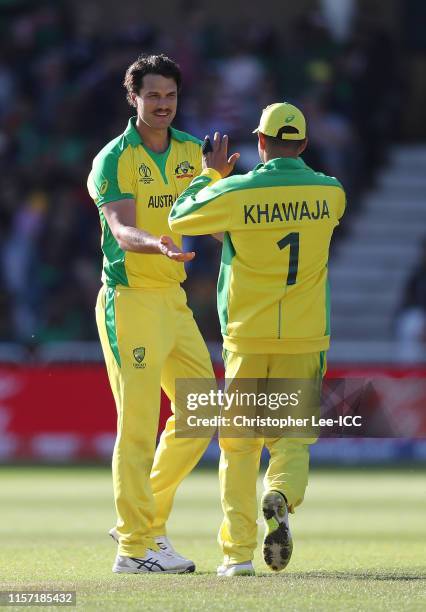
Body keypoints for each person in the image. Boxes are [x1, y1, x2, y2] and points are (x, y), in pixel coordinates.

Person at [169, 102, 346, 576]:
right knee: (291, 440)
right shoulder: (332, 194)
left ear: (261, 143)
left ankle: (237, 556)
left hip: (247, 337)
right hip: (305, 336)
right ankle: (282, 494)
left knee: (239, 446)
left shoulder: (236, 191)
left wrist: (210, 175)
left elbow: (180, 219)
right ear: (305, 145)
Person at [87, 54, 215, 574]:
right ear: (133, 98)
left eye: (171, 96)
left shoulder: (192, 151)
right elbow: (121, 230)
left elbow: (214, 212)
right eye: (153, 96)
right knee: (138, 427)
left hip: (173, 299)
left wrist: (224, 181)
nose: (163, 105)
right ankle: (134, 550)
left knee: (202, 411)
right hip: (130, 298)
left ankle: (144, 521)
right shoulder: (113, 157)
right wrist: (156, 245)